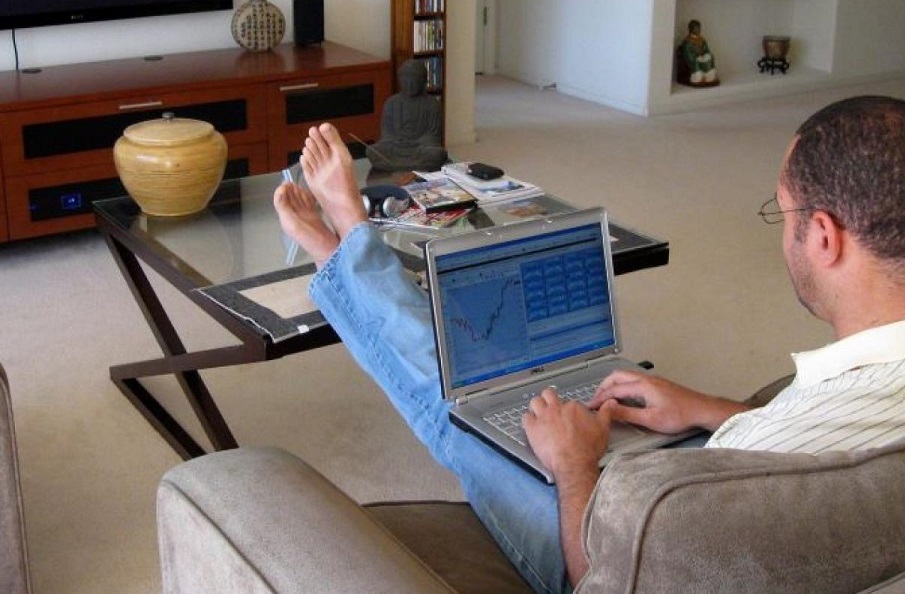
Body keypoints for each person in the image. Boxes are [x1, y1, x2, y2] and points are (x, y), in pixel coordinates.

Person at [274, 95, 905, 593]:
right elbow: (801, 441)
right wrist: (713, 409)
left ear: (824, 237)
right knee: (488, 388)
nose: (782, 231)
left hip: (631, 531)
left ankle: (345, 244)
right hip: (703, 483)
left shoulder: (692, 510)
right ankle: (347, 254)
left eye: (784, 212)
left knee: (454, 404)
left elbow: (600, 577)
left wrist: (574, 467)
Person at [365, 58, 448, 171]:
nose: (410, 83)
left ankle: (397, 164)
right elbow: (386, 134)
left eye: (415, 79)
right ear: (400, 80)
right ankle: (415, 165)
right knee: (372, 151)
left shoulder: (432, 104)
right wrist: (396, 140)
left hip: (420, 148)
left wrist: (417, 142)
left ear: (424, 81)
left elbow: (433, 136)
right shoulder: (391, 103)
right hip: (396, 146)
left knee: (436, 154)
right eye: (406, 79)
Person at [677, 19, 718, 86]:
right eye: (696, 28)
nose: (698, 30)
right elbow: (688, 54)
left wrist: (705, 54)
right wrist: (697, 57)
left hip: (703, 58)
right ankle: (699, 76)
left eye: (699, 28)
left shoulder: (702, 40)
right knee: (698, 70)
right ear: (691, 29)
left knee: (710, 56)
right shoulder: (687, 42)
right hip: (695, 60)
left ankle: (709, 75)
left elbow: (706, 49)